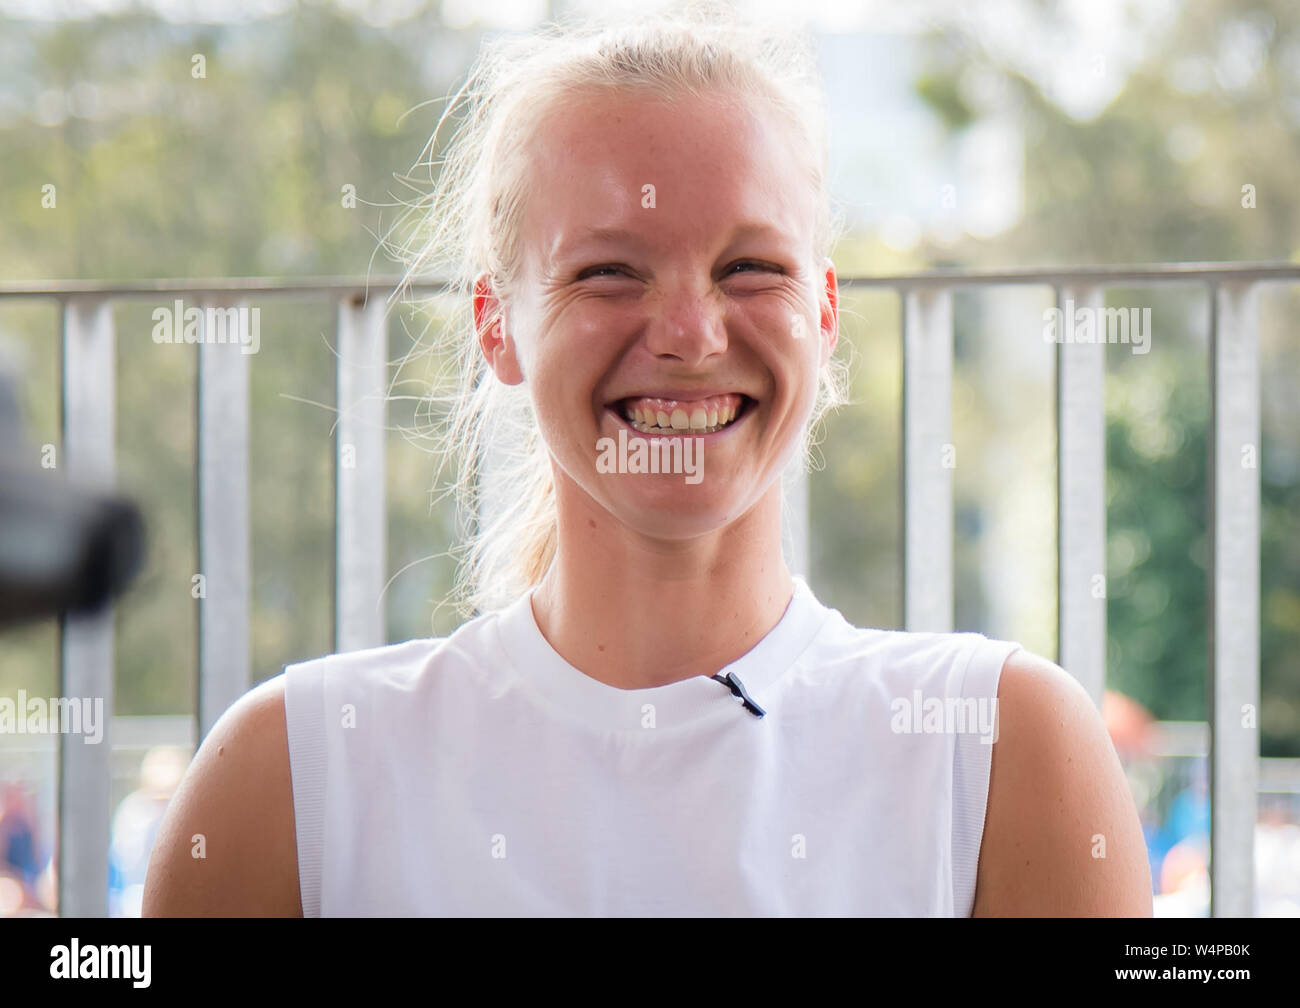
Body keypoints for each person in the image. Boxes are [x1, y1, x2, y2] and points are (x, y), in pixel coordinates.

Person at [143, 5, 1151, 917]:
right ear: (497, 324)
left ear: (825, 312)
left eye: (750, 267)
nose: (687, 332)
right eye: (608, 272)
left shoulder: (1003, 751)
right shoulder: (290, 779)